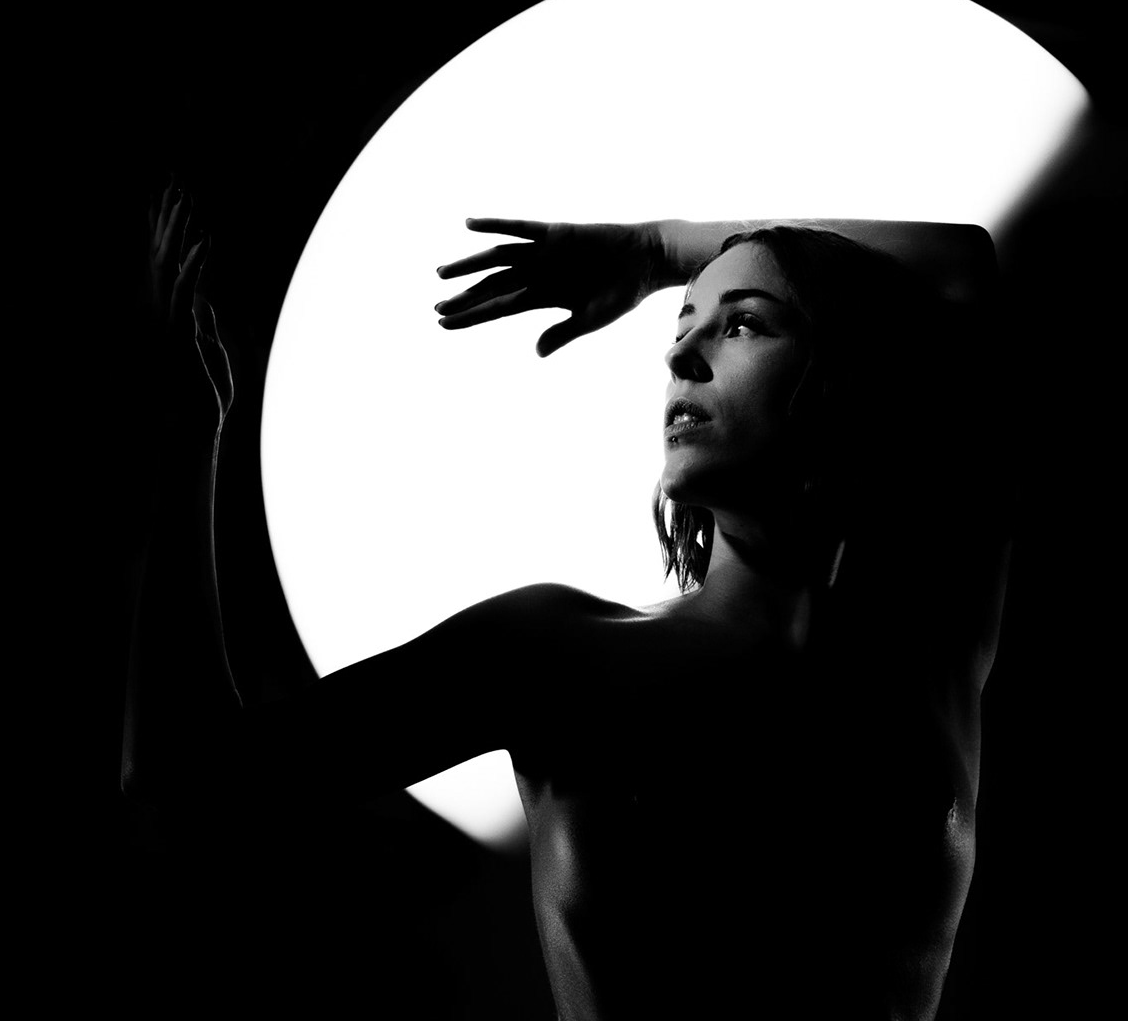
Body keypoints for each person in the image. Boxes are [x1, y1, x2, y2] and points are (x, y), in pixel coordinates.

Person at [123, 188, 1011, 1020]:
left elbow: (958, 268)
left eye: (742, 323)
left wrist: (661, 250)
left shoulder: (927, 635)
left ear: (849, 372)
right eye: (681, 327)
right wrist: (183, 431)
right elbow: (185, 791)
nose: (679, 356)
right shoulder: (558, 656)